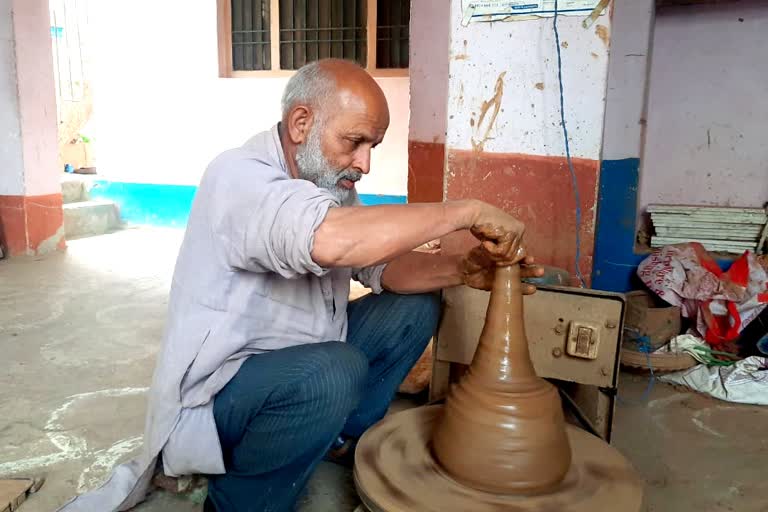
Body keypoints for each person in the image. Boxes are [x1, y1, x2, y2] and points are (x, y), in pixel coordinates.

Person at [57, 59, 541, 512]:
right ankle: (240, 499)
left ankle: (337, 438)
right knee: (333, 371)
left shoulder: (329, 185)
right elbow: (332, 242)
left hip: (299, 361)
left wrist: (464, 269)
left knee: (411, 308)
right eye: (354, 142)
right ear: (301, 124)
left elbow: (383, 269)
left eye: (372, 146)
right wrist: (465, 211)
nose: (365, 164)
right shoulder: (240, 177)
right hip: (220, 394)